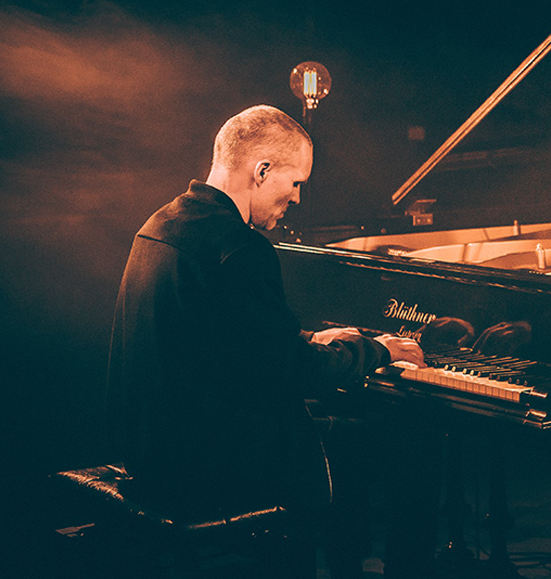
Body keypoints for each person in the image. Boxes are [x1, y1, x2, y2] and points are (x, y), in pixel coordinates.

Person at [107, 104, 425, 575]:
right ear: (261, 170)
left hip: (150, 448)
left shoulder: (162, 225)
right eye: (295, 182)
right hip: (202, 468)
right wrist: (376, 349)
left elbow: (221, 336)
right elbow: (299, 373)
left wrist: (312, 336)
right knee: (383, 436)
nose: (297, 198)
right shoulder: (240, 246)